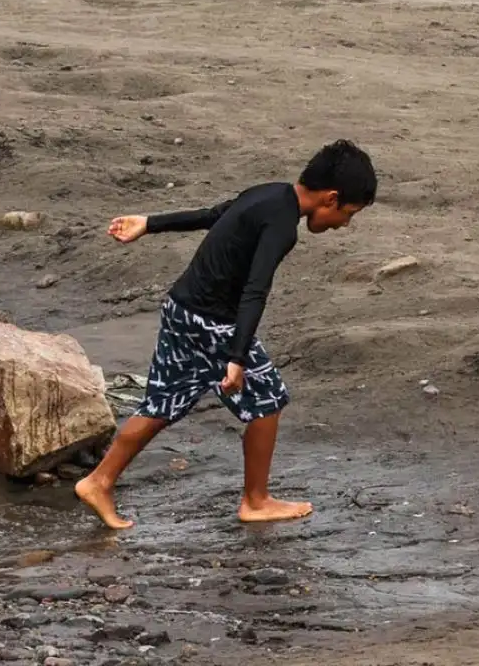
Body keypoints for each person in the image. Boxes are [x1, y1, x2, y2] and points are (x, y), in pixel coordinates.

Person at [74, 140, 377, 531]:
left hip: (180, 309)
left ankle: (98, 481)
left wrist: (149, 223)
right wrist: (237, 357)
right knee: (267, 400)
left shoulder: (268, 193)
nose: (344, 225)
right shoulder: (282, 226)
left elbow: (213, 215)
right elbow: (255, 290)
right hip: (211, 324)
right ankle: (256, 500)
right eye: (348, 214)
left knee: (162, 403)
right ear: (331, 198)